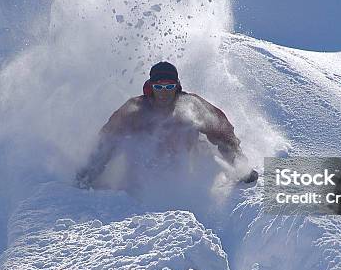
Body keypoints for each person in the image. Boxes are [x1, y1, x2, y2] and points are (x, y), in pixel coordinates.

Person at [75, 61, 258, 189]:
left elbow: (222, 132)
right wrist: (90, 171)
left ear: (176, 86)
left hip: (184, 170)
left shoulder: (192, 106)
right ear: (151, 86)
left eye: (169, 87)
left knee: (197, 141)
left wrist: (240, 166)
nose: (164, 93)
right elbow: (109, 138)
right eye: (159, 87)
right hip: (142, 174)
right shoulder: (135, 109)